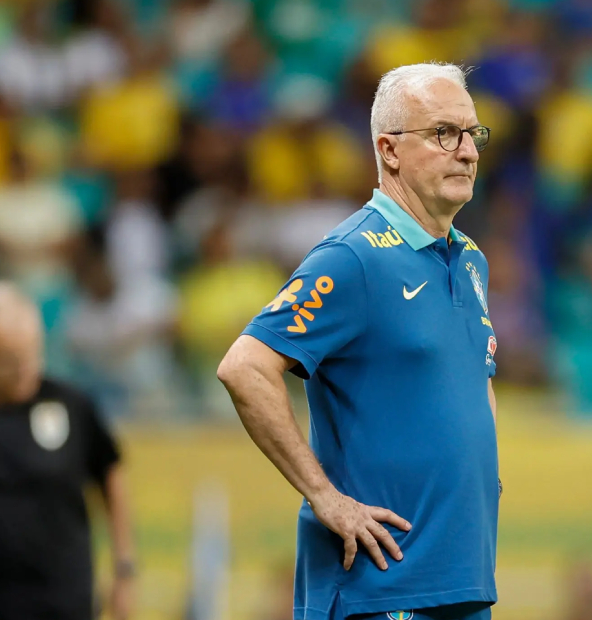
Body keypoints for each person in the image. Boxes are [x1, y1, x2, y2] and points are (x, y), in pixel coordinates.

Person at [218, 62, 499, 620]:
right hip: (378, 587)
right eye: (444, 133)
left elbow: (473, 384)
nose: (467, 152)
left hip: (461, 580)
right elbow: (244, 367)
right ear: (389, 150)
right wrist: (326, 498)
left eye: (472, 134)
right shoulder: (354, 257)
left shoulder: (471, 260)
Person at [0, 281, 136, 620]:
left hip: (59, 603)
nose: (24, 369)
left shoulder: (69, 404)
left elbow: (110, 472)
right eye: (8, 360)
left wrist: (124, 568)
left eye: (31, 354)